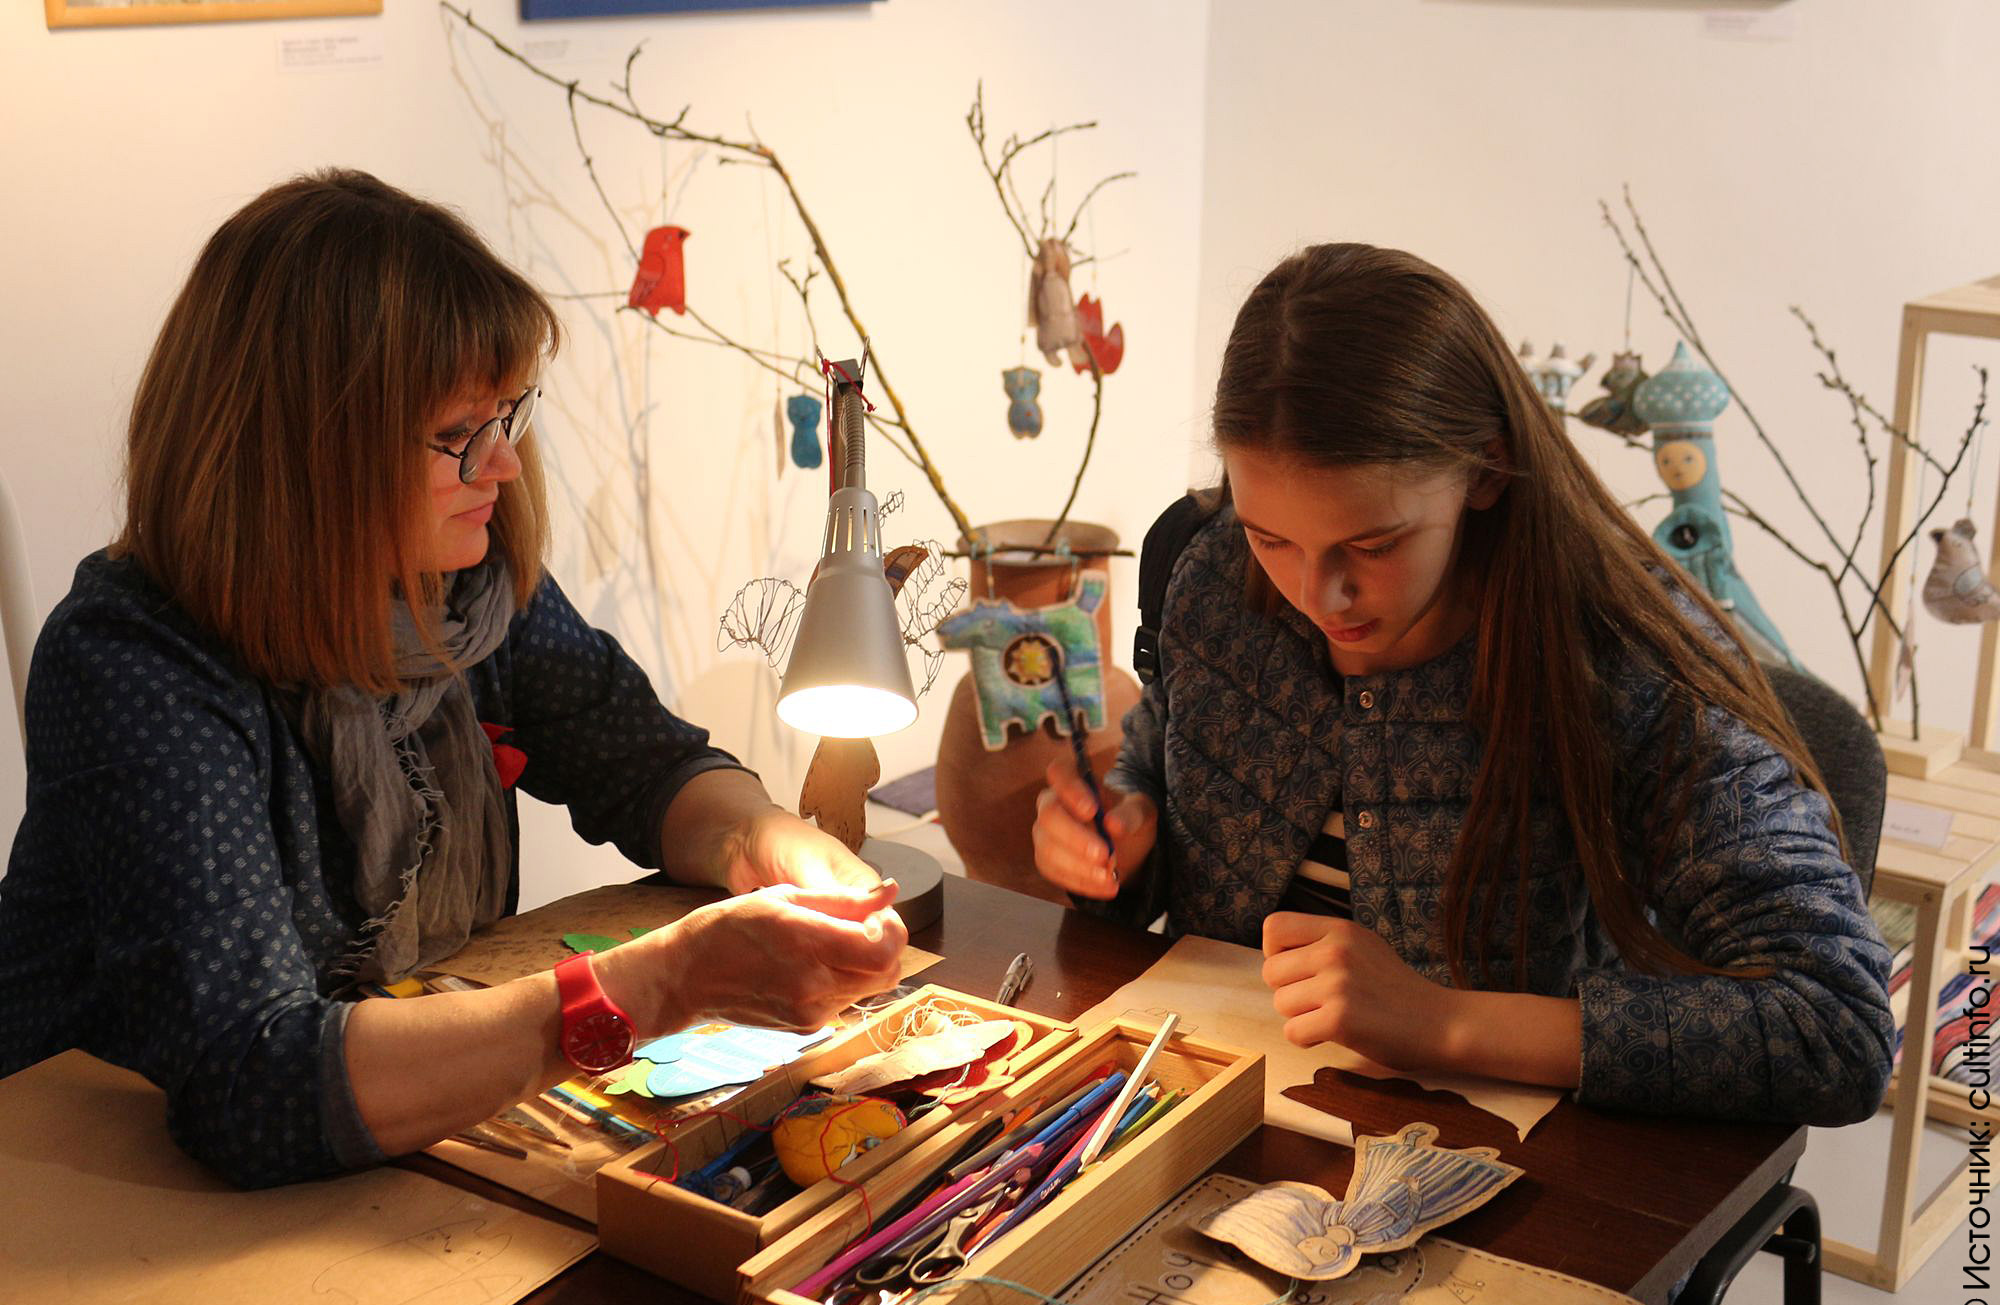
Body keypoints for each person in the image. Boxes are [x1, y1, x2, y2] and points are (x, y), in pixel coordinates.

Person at [0, 169, 908, 1187]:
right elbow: (253, 1078)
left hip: (353, 1163)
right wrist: (654, 985)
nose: (502, 465)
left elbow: (645, 764)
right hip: (87, 1187)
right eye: (455, 436)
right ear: (304, 454)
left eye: (506, 416)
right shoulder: (135, 664)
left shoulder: (462, 589)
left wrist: (762, 839)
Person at [1032, 243, 1893, 1126]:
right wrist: (1120, 843)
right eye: (1272, 537)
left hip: (1516, 1163)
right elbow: (1159, 782)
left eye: (1373, 545)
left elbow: (1837, 1027)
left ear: (1483, 469)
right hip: (1201, 1107)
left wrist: (1444, 1023)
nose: (1317, 595)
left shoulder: (1619, 655)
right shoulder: (1216, 575)